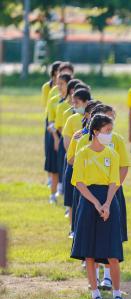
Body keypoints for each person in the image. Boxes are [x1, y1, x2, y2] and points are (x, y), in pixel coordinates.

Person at [70, 114, 124, 299]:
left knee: (112, 252)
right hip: (88, 201)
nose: (110, 135)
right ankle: (95, 294)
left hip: (109, 200)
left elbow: (114, 182)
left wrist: (108, 203)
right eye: (107, 131)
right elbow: (79, 182)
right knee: (89, 253)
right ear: (95, 132)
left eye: (111, 130)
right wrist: (95, 203)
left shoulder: (112, 154)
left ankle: (117, 293)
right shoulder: (83, 153)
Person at [63, 88, 92, 234]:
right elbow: (68, 145)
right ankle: (73, 229)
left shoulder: (98, 123)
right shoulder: (72, 120)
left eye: (77, 102)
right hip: (75, 164)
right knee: (73, 200)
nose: (74, 105)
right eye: (73, 102)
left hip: (92, 169)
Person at [45, 73, 72, 203]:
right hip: (57, 137)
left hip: (70, 139)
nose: (59, 86)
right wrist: (56, 138)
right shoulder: (54, 100)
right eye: (57, 83)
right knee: (55, 167)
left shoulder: (73, 104)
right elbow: (51, 123)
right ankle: (53, 194)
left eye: (62, 83)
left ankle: (66, 196)